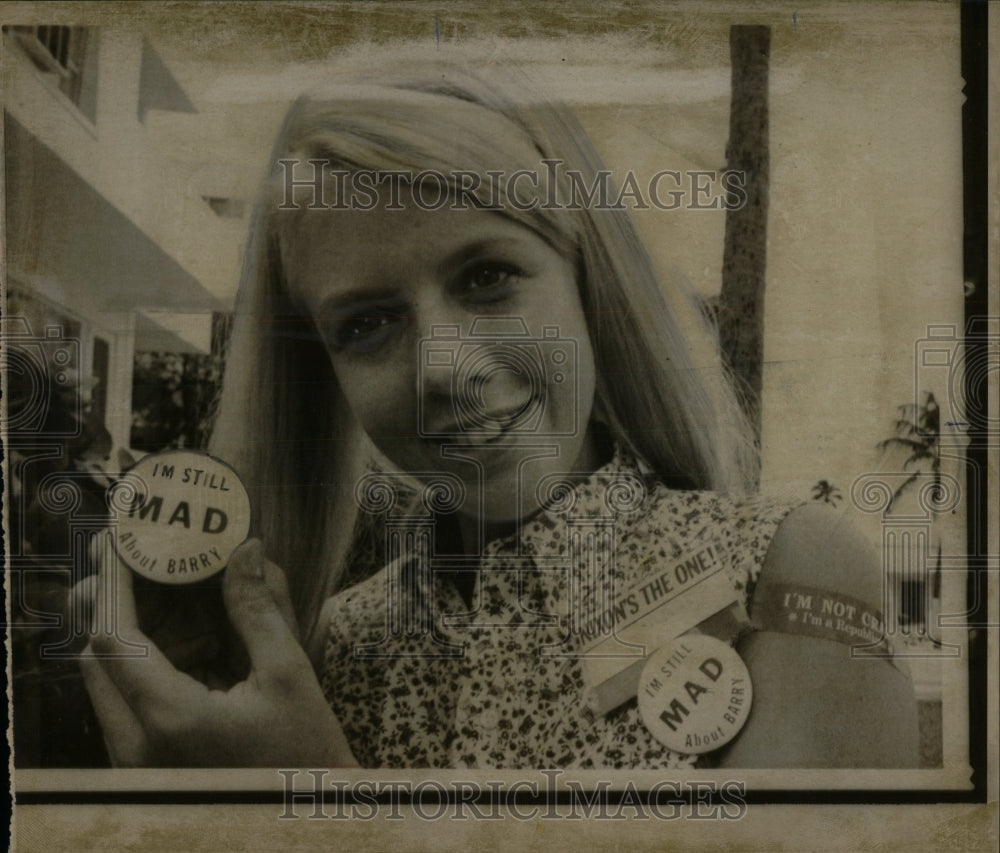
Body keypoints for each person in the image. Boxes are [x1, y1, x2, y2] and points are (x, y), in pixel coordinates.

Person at [80, 60, 918, 769]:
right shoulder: (327, 646)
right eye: (366, 325)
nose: (446, 368)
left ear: (589, 279)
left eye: (487, 277)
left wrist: (317, 804)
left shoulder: (786, 569)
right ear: (322, 374)